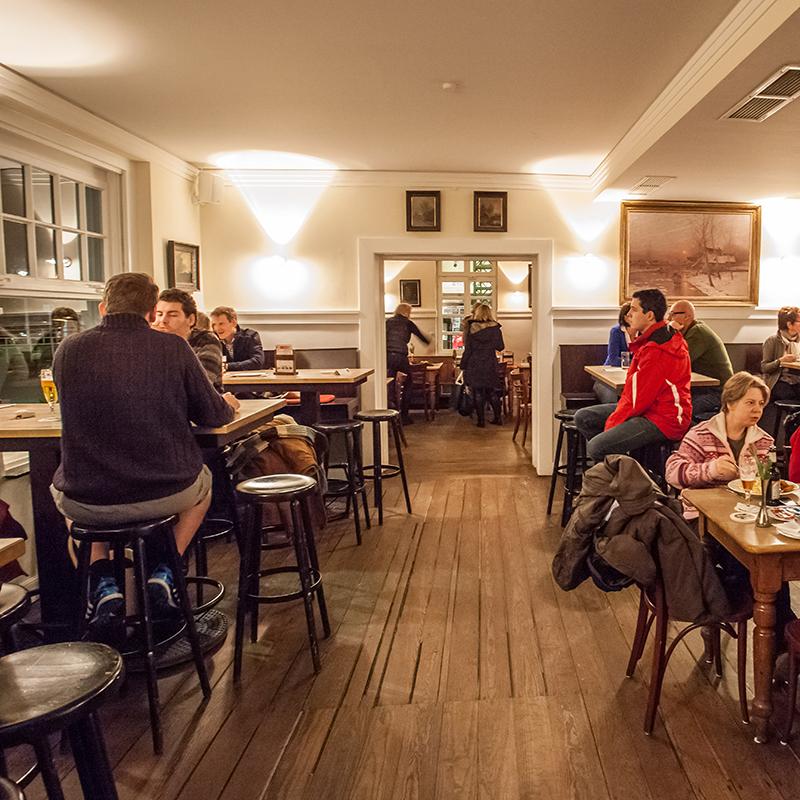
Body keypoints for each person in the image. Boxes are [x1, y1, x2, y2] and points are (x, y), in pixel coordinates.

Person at [51, 273, 239, 630]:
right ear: (152, 312)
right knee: (204, 482)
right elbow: (212, 413)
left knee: (61, 491)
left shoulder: (68, 350)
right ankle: (166, 569)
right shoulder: (173, 348)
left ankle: (102, 580)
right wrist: (228, 404)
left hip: (89, 502)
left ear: (104, 308)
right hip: (164, 494)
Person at [574, 288, 692, 462]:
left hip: (665, 418)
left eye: (634, 309)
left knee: (597, 447)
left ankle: (629, 481)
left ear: (650, 315)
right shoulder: (657, 338)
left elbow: (637, 400)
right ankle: (624, 471)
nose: (628, 314)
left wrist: (612, 429)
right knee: (584, 418)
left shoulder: (657, 350)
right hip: (650, 409)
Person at [665, 372, 772, 518]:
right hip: (702, 514)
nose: (757, 410)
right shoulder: (701, 434)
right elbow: (672, 473)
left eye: (761, 404)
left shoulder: (764, 441)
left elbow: (766, 485)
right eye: (750, 402)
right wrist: (711, 469)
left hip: (747, 514)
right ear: (730, 404)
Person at [667, 300, 733, 417]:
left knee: (679, 411)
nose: (669, 318)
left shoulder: (698, 332)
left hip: (718, 392)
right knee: (667, 404)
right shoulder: (690, 332)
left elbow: (677, 362)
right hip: (703, 389)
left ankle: (693, 434)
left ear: (687, 317)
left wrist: (671, 332)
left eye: (673, 314)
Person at [154, 289, 227, 391]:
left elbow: (199, 385)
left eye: (172, 315)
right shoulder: (152, 343)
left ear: (191, 320)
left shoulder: (206, 341)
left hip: (201, 405)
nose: (163, 320)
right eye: (159, 314)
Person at [386, 302, 431, 423]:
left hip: (387, 357)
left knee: (389, 385)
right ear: (406, 312)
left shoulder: (387, 322)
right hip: (401, 356)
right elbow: (422, 337)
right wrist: (430, 342)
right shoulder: (408, 323)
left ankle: (390, 413)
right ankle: (404, 416)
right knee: (408, 383)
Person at [461, 303, 505, 427]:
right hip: (490, 362)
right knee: (492, 392)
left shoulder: (471, 329)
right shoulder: (496, 329)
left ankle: (481, 421)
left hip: (475, 363)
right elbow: (500, 347)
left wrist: (463, 365)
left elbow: (468, 349)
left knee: (478, 392)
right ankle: (498, 418)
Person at [594, 302, 632, 404]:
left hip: (631, 377)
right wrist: (634, 363)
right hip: (609, 377)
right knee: (611, 396)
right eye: (631, 315)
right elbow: (613, 359)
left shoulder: (642, 332)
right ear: (625, 317)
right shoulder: (616, 331)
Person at [761, 306, 800, 405]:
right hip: (779, 381)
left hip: (797, 380)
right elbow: (764, 368)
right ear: (789, 324)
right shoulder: (772, 341)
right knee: (791, 396)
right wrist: (780, 361)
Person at [210, 305, 264, 371]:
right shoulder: (212, 339)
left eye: (221, 324)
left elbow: (257, 362)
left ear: (234, 323)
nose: (217, 328)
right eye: (214, 324)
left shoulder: (250, 336)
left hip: (246, 380)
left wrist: (227, 366)